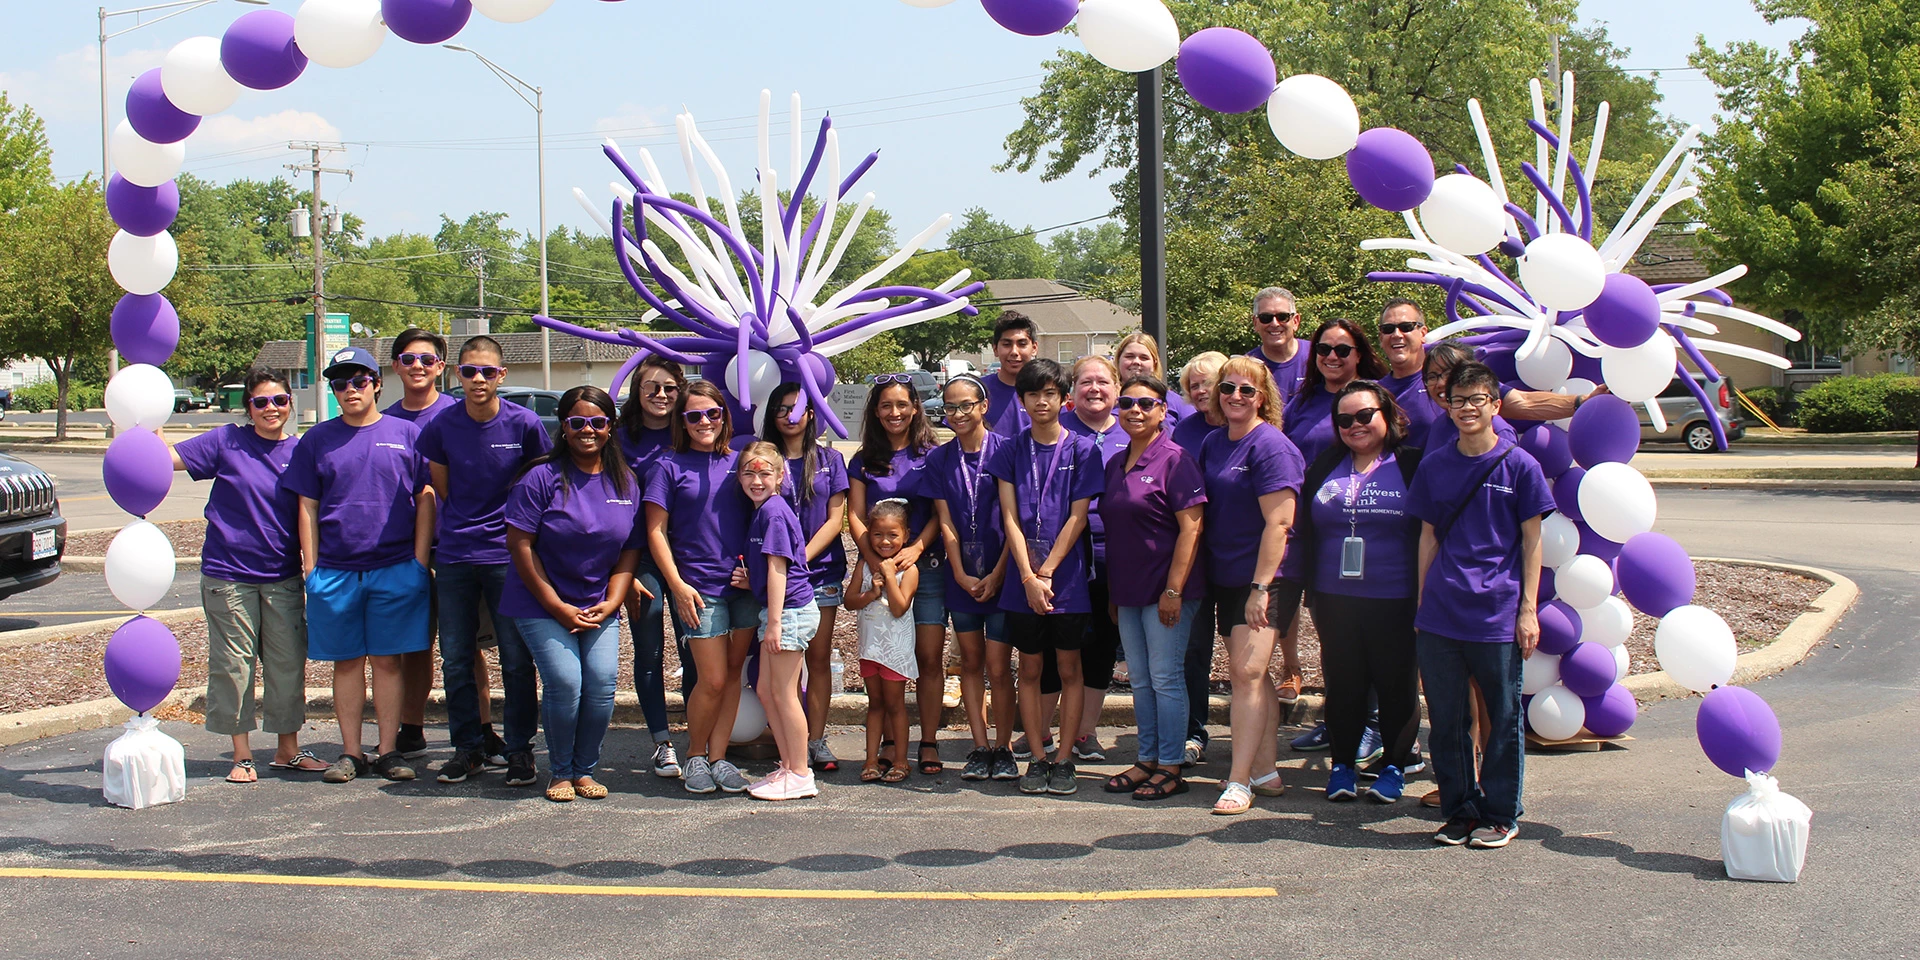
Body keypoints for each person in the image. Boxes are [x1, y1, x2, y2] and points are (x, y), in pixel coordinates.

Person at [1409, 361, 1556, 849]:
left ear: (1495, 405)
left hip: (1497, 611)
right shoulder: (1435, 465)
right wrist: (1421, 598)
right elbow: (1428, 537)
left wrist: (1528, 609)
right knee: (1447, 720)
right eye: (1458, 400)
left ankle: (1500, 812)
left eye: (1477, 400)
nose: (1467, 408)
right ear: (1446, 406)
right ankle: (1460, 810)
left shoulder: (1520, 466)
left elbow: (1532, 542)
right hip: (1441, 615)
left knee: (1503, 717)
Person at [285, 346, 434, 783]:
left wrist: (419, 561)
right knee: (347, 662)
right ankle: (350, 753)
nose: (349, 389)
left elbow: (426, 497)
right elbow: (307, 506)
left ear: (375, 383)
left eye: (358, 381)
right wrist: (311, 568)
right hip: (335, 571)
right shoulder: (317, 439)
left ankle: (388, 751)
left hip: (396, 567)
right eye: (339, 383)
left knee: (388, 662)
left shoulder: (406, 433)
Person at [168, 369, 324, 781]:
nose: (271, 409)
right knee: (234, 665)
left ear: (291, 403)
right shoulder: (226, 440)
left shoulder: (302, 450)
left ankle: (287, 750)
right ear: (248, 408)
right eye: (261, 402)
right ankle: (242, 755)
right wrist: (135, 428)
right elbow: (167, 458)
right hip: (228, 575)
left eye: (279, 400)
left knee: (288, 663)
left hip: (283, 574)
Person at [418, 336, 551, 788]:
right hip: (455, 554)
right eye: (470, 371)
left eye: (488, 371)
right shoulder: (441, 426)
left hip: (508, 556)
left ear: (502, 376)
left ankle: (519, 751)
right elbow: (443, 489)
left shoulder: (526, 424)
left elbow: (541, 485)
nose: (479, 379)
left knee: (516, 659)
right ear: (457, 374)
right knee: (456, 657)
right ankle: (468, 748)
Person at [501, 386, 642, 802]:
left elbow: (630, 550)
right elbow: (520, 546)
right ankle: (560, 771)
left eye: (598, 422)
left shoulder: (626, 480)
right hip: (540, 601)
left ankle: (585, 770)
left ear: (610, 427)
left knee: (600, 682)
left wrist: (614, 600)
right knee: (565, 681)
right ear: (563, 427)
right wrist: (556, 606)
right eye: (577, 422)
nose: (588, 430)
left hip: (599, 601)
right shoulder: (539, 477)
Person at [1297, 381, 1426, 805]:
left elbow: (1431, 532)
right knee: (1344, 683)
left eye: (1365, 415)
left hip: (1396, 596)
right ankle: (1342, 765)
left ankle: (1394, 765)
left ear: (1387, 415)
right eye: (1344, 419)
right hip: (1335, 597)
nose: (1355, 425)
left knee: (1395, 684)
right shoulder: (1323, 466)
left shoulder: (1411, 465)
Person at [988, 358, 1104, 797]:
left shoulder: (1082, 449)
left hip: (1066, 579)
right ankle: (1036, 757)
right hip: (1024, 581)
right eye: (1033, 394)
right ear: (1022, 401)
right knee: (1031, 668)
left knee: (1070, 667)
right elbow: (1010, 519)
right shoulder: (1009, 449)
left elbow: (1078, 517)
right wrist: (1027, 576)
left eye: (1050, 393)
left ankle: (1064, 760)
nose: (1042, 401)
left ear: (1063, 398)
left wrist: (1048, 571)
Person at [1199, 356, 1304, 814]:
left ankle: (1239, 781)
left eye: (1247, 390)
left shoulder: (1272, 446)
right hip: (1225, 574)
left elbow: (1279, 525)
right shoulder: (1213, 442)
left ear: (1264, 398)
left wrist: (1260, 588)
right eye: (1228, 389)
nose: (1235, 397)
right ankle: (1265, 769)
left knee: (1245, 674)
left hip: (1266, 578)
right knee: (1252, 678)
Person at [1096, 374, 1205, 801]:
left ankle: (1171, 765)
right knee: (1140, 679)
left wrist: (1174, 590)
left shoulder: (1176, 460)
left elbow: (1192, 529)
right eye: (1127, 403)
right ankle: (1147, 760)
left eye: (1146, 403)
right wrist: (1112, 596)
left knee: (1165, 678)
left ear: (1163, 411)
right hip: (1127, 590)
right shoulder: (1115, 463)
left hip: (1166, 591)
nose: (1135, 410)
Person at [645, 379, 756, 795]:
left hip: (743, 587)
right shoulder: (667, 466)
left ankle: (719, 758)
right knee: (708, 679)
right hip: (698, 588)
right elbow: (655, 531)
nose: (704, 421)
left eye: (713, 413)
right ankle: (694, 755)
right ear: (682, 420)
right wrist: (675, 584)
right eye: (694, 415)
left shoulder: (741, 461)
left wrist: (757, 574)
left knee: (731, 677)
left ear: (724, 416)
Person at [847, 374, 945, 776]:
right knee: (883, 657)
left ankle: (928, 742)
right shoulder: (862, 459)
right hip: (879, 568)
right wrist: (875, 561)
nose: (895, 412)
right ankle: (889, 741)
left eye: (902, 404)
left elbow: (942, 511)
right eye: (886, 405)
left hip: (926, 569)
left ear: (915, 408)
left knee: (926, 657)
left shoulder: (931, 454)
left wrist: (917, 547)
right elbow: (853, 515)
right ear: (875, 411)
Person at [923, 375, 1016, 782]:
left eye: (965, 405)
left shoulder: (1007, 452)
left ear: (984, 406)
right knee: (971, 664)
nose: (958, 414)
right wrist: (958, 572)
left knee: (999, 666)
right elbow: (945, 522)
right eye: (950, 407)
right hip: (961, 579)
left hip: (1004, 574)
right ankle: (980, 747)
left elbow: (1016, 520)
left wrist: (998, 573)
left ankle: (1005, 746)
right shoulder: (940, 459)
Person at [763, 383, 850, 776]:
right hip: (774, 576)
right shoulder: (764, 458)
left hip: (820, 573)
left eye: (796, 408)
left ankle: (815, 739)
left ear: (812, 413)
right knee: (782, 662)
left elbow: (836, 519)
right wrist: (783, 563)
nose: (789, 416)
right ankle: (787, 739)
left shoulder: (831, 459)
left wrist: (799, 558)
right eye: (781, 409)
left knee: (817, 659)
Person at [383, 328, 460, 761]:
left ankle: (481, 729)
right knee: (413, 645)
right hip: (402, 553)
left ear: (441, 368)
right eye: (408, 359)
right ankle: (410, 728)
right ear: (394, 366)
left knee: (463, 648)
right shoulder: (385, 422)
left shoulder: (460, 413)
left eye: (427, 360)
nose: (418, 366)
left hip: (459, 550)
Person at [732, 441, 822, 801]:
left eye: (765, 472)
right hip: (779, 612)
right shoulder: (763, 510)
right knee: (768, 691)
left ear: (781, 477)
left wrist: (772, 623)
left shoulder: (773, 511)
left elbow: (779, 569)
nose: (756, 479)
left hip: (790, 613)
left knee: (784, 694)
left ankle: (801, 772)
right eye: (749, 473)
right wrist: (751, 583)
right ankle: (788, 766)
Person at [618, 355, 688, 778]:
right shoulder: (620, 439)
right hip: (638, 556)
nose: (661, 395)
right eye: (652, 388)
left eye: (669, 388)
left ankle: (698, 738)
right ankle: (661, 741)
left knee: (693, 647)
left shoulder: (694, 431)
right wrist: (620, 573)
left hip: (689, 557)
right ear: (638, 392)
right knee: (649, 648)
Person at [1061, 355, 1126, 762]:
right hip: (1064, 555)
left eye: (1103, 381)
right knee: (1060, 645)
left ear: (1117, 389)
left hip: (1115, 555)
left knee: (1101, 644)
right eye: (1086, 382)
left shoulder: (1133, 429)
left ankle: (1086, 731)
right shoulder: (1057, 431)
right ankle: (1046, 729)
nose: (1095, 389)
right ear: (1072, 391)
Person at [1170, 351, 1228, 767]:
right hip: (1194, 555)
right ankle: (1193, 731)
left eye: (1210, 382)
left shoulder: (1249, 429)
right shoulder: (1183, 432)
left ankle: (1251, 736)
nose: (1201, 390)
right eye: (1194, 384)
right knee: (1193, 647)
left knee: (1246, 652)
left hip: (1236, 552)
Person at [846, 499, 918, 784]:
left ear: (906, 536)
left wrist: (889, 577)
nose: (885, 541)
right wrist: (870, 594)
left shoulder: (908, 570)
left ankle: (901, 760)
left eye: (893, 535)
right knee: (874, 704)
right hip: (870, 647)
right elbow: (849, 601)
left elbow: (900, 607)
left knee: (896, 705)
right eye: (877, 535)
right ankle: (871, 760)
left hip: (895, 649)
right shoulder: (864, 566)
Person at [1284, 318, 1389, 465]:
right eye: (1323, 349)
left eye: (1342, 350)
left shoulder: (1378, 396)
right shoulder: (1302, 400)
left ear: (1358, 355)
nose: (1332, 357)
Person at [1377, 299, 1442, 448]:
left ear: (1423, 333)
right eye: (1388, 329)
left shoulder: (1449, 379)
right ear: (1381, 338)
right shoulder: (1375, 393)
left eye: (1406, 327)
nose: (1396, 334)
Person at [1246, 286, 1311, 402]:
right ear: (1255, 323)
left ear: (1295, 321)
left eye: (1282, 317)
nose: (1275, 323)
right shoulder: (1246, 368)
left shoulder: (1318, 356)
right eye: (1266, 318)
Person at [982, 311, 1038, 438]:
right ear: (995, 349)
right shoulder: (978, 390)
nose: (1014, 352)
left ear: (1034, 348)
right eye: (1007, 344)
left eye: (1022, 344)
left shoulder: (1046, 391)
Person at [1114, 332, 1191, 422]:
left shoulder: (1173, 401)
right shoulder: (1107, 399)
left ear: (1154, 363)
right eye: (1129, 356)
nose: (1136, 362)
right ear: (1118, 360)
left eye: (1144, 358)